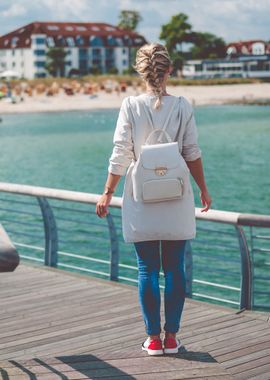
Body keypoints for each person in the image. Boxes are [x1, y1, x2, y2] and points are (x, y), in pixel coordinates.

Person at [96, 43, 212, 356]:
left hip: (140, 195)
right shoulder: (183, 105)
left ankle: (153, 340)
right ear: (169, 70)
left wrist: (107, 192)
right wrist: (203, 188)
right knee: (174, 268)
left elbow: (121, 153)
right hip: (176, 194)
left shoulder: (130, 105)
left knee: (147, 269)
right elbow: (192, 152)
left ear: (142, 71)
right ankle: (172, 337)